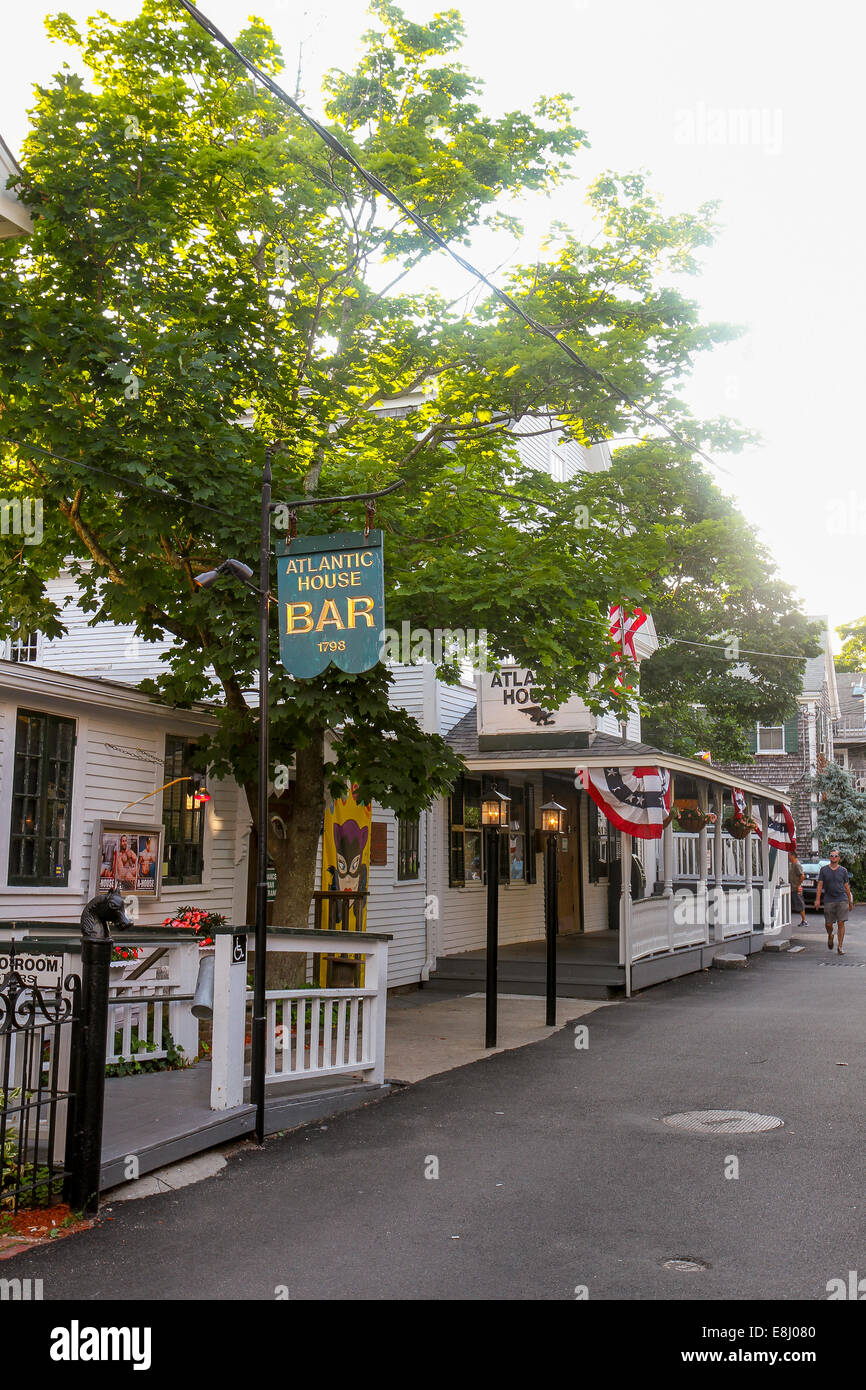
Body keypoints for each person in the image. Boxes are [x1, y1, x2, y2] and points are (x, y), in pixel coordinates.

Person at [814, 850, 854, 954]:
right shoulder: (824, 870)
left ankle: (840, 947)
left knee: (841, 923)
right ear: (829, 857)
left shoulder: (843, 870)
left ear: (839, 858)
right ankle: (830, 935)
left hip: (842, 899)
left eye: (836, 856)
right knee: (828, 924)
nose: (834, 858)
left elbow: (846, 886)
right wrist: (817, 900)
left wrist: (850, 901)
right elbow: (820, 885)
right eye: (832, 856)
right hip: (829, 899)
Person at [788, 851, 807, 927]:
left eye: (789, 855)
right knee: (792, 905)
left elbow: (802, 876)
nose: (788, 857)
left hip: (795, 888)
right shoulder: (791, 865)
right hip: (791, 888)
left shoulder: (797, 865)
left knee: (800, 904)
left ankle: (804, 920)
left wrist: (798, 885)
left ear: (793, 856)